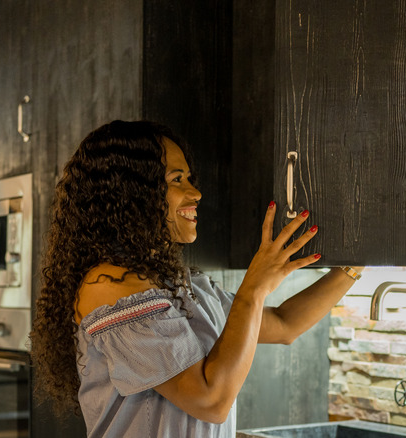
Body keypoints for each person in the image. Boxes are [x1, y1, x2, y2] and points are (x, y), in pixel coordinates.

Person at [30, 120, 364, 437]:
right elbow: (210, 400)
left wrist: (357, 264)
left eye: (189, 178)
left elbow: (285, 323)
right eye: (177, 180)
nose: (196, 193)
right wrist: (253, 288)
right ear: (130, 193)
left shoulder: (183, 286)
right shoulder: (107, 287)